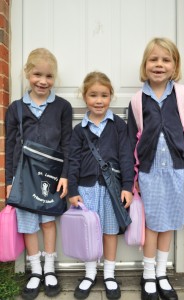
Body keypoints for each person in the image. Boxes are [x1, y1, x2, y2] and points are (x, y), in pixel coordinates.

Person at [127, 37, 184, 300]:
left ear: (175, 65)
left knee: (168, 223)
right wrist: (132, 176)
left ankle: (161, 273)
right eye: (153, 59)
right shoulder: (137, 101)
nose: (159, 64)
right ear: (145, 65)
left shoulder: (182, 96)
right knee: (152, 224)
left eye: (165, 60)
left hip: (177, 170)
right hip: (149, 172)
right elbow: (130, 142)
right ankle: (147, 275)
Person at [5, 48, 72, 299]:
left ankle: (50, 269)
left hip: (51, 177)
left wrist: (65, 175)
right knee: (28, 224)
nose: (43, 81)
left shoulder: (62, 107)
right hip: (23, 177)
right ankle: (35, 270)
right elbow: (10, 145)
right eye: (37, 74)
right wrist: (10, 180)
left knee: (47, 222)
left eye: (49, 76)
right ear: (27, 73)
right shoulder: (16, 109)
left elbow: (67, 143)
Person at [68, 71, 134, 299]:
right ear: (85, 97)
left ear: (111, 96)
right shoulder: (79, 130)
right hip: (86, 190)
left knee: (109, 231)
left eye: (104, 95)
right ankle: (88, 274)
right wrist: (73, 190)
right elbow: (73, 160)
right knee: (88, 232)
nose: (99, 100)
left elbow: (126, 156)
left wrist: (127, 185)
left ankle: (109, 274)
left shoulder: (118, 126)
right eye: (93, 95)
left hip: (111, 190)